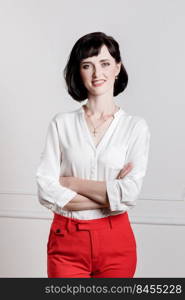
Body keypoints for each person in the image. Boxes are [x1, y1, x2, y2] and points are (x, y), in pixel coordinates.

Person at [36, 32, 151, 278]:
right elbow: (46, 190)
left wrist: (72, 183)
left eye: (105, 63)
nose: (97, 73)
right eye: (87, 65)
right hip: (66, 241)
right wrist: (111, 196)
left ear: (118, 67)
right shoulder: (61, 124)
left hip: (116, 243)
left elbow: (130, 194)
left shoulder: (135, 127)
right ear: (79, 72)